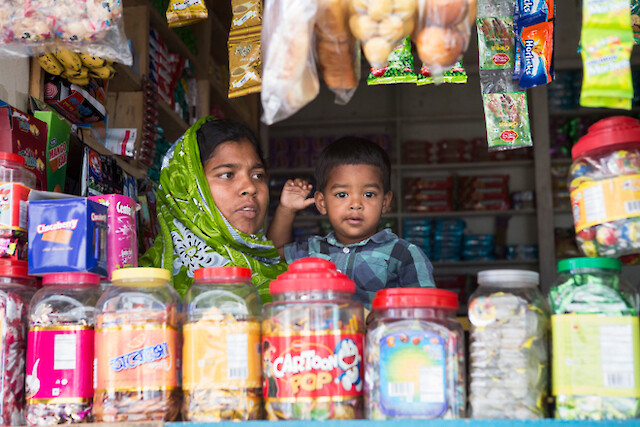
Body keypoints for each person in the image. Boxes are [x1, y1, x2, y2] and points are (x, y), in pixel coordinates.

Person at [268, 136, 435, 307]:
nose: (356, 205)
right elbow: (269, 257)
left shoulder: (403, 254)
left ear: (385, 202)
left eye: (368, 194)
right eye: (342, 195)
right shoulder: (312, 251)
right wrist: (286, 210)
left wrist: (384, 315)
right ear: (322, 202)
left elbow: (426, 310)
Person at [139, 117, 287, 301]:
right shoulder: (144, 289)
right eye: (227, 175)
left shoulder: (287, 281)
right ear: (189, 187)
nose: (250, 187)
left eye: (258, 175)